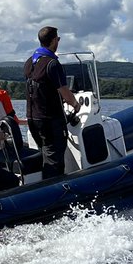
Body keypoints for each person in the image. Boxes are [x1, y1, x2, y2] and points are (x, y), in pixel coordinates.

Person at [23, 25, 79, 179]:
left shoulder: (29, 62)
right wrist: (75, 104)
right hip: (50, 120)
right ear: (54, 40)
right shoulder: (52, 64)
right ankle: (54, 191)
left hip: (33, 119)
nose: (58, 42)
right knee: (54, 159)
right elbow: (65, 92)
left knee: (45, 153)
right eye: (58, 39)